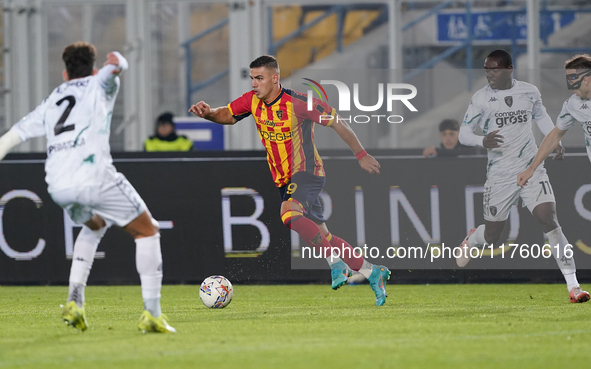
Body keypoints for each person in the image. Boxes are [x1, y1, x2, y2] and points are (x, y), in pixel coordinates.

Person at [0, 42, 176, 332]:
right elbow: (118, 66)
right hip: (94, 176)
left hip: (58, 185)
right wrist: (116, 61)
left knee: (95, 225)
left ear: (65, 74)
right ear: (93, 69)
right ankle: (153, 314)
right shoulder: (99, 83)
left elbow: (11, 137)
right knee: (148, 232)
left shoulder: (52, 100)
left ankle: (75, 301)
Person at [189, 55, 391, 306]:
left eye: (259, 78)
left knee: (288, 214)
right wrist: (209, 114)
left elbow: (337, 121)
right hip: (284, 180)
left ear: (275, 78)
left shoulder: (299, 103)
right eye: (252, 78)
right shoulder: (252, 101)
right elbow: (228, 115)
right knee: (324, 235)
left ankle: (334, 262)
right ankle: (373, 272)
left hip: (307, 172)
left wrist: (361, 155)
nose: (254, 84)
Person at [456, 49, 589, 303]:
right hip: (500, 175)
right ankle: (473, 239)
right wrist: (481, 140)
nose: (489, 75)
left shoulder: (529, 92)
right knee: (494, 236)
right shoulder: (481, 99)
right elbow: (463, 133)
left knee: (548, 219)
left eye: (494, 70)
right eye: (486, 70)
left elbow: (541, 117)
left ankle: (573, 286)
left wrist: (554, 141)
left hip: (531, 167)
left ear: (508, 70)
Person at [517, 54, 591, 303]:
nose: (570, 85)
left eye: (574, 79)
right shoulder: (573, 104)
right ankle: (574, 287)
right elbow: (554, 135)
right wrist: (531, 168)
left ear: (588, 80)